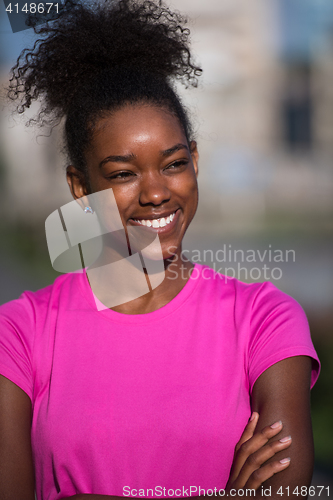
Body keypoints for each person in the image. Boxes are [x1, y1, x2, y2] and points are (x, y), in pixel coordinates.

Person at [0, 1, 320, 499]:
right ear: (81, 189)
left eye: (172, 164)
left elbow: (284, 491)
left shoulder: (265, 320)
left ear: (194, 161)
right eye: (124, 173)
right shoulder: (20, 336)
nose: (155, 193)